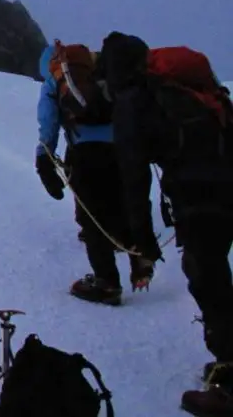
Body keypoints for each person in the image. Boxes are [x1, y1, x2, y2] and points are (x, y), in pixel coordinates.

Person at [98, 32, 233, 416]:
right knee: (215, 275)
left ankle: (229, 382)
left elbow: (134, 177)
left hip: (199, 196)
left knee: (209, 279)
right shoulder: (188, 89)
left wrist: (141, 244)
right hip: (226, 186)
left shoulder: (133, 99)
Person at [34, 43, 154, 305]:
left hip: (85, 153)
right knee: (123, 204)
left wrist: (44, 160)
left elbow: (48, 124)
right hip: (122, 148)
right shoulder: (102, 74)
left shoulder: (56, 80)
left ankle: (107, 282)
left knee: (90, 217)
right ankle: (139, 259)